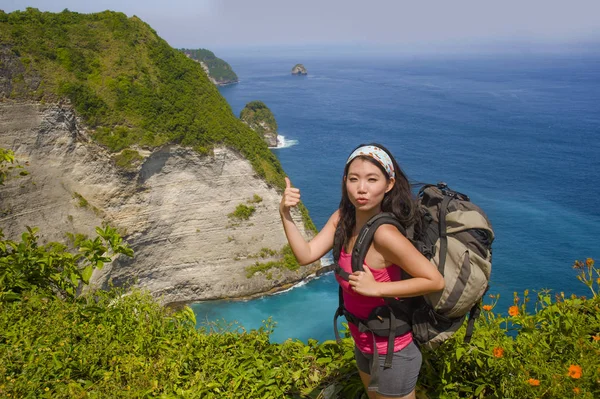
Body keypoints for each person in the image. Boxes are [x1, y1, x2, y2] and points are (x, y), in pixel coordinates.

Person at [279, 143, 445, 399]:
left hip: (394, 351)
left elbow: (434, 280)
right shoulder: (342, 219)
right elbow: (306, 255)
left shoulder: (385, 234)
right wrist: (285, 214)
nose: (361, 188)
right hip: (364, 342)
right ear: (345, 181)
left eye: (372, 179)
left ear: (389, 184)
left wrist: (377, 287)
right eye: (354, 179)